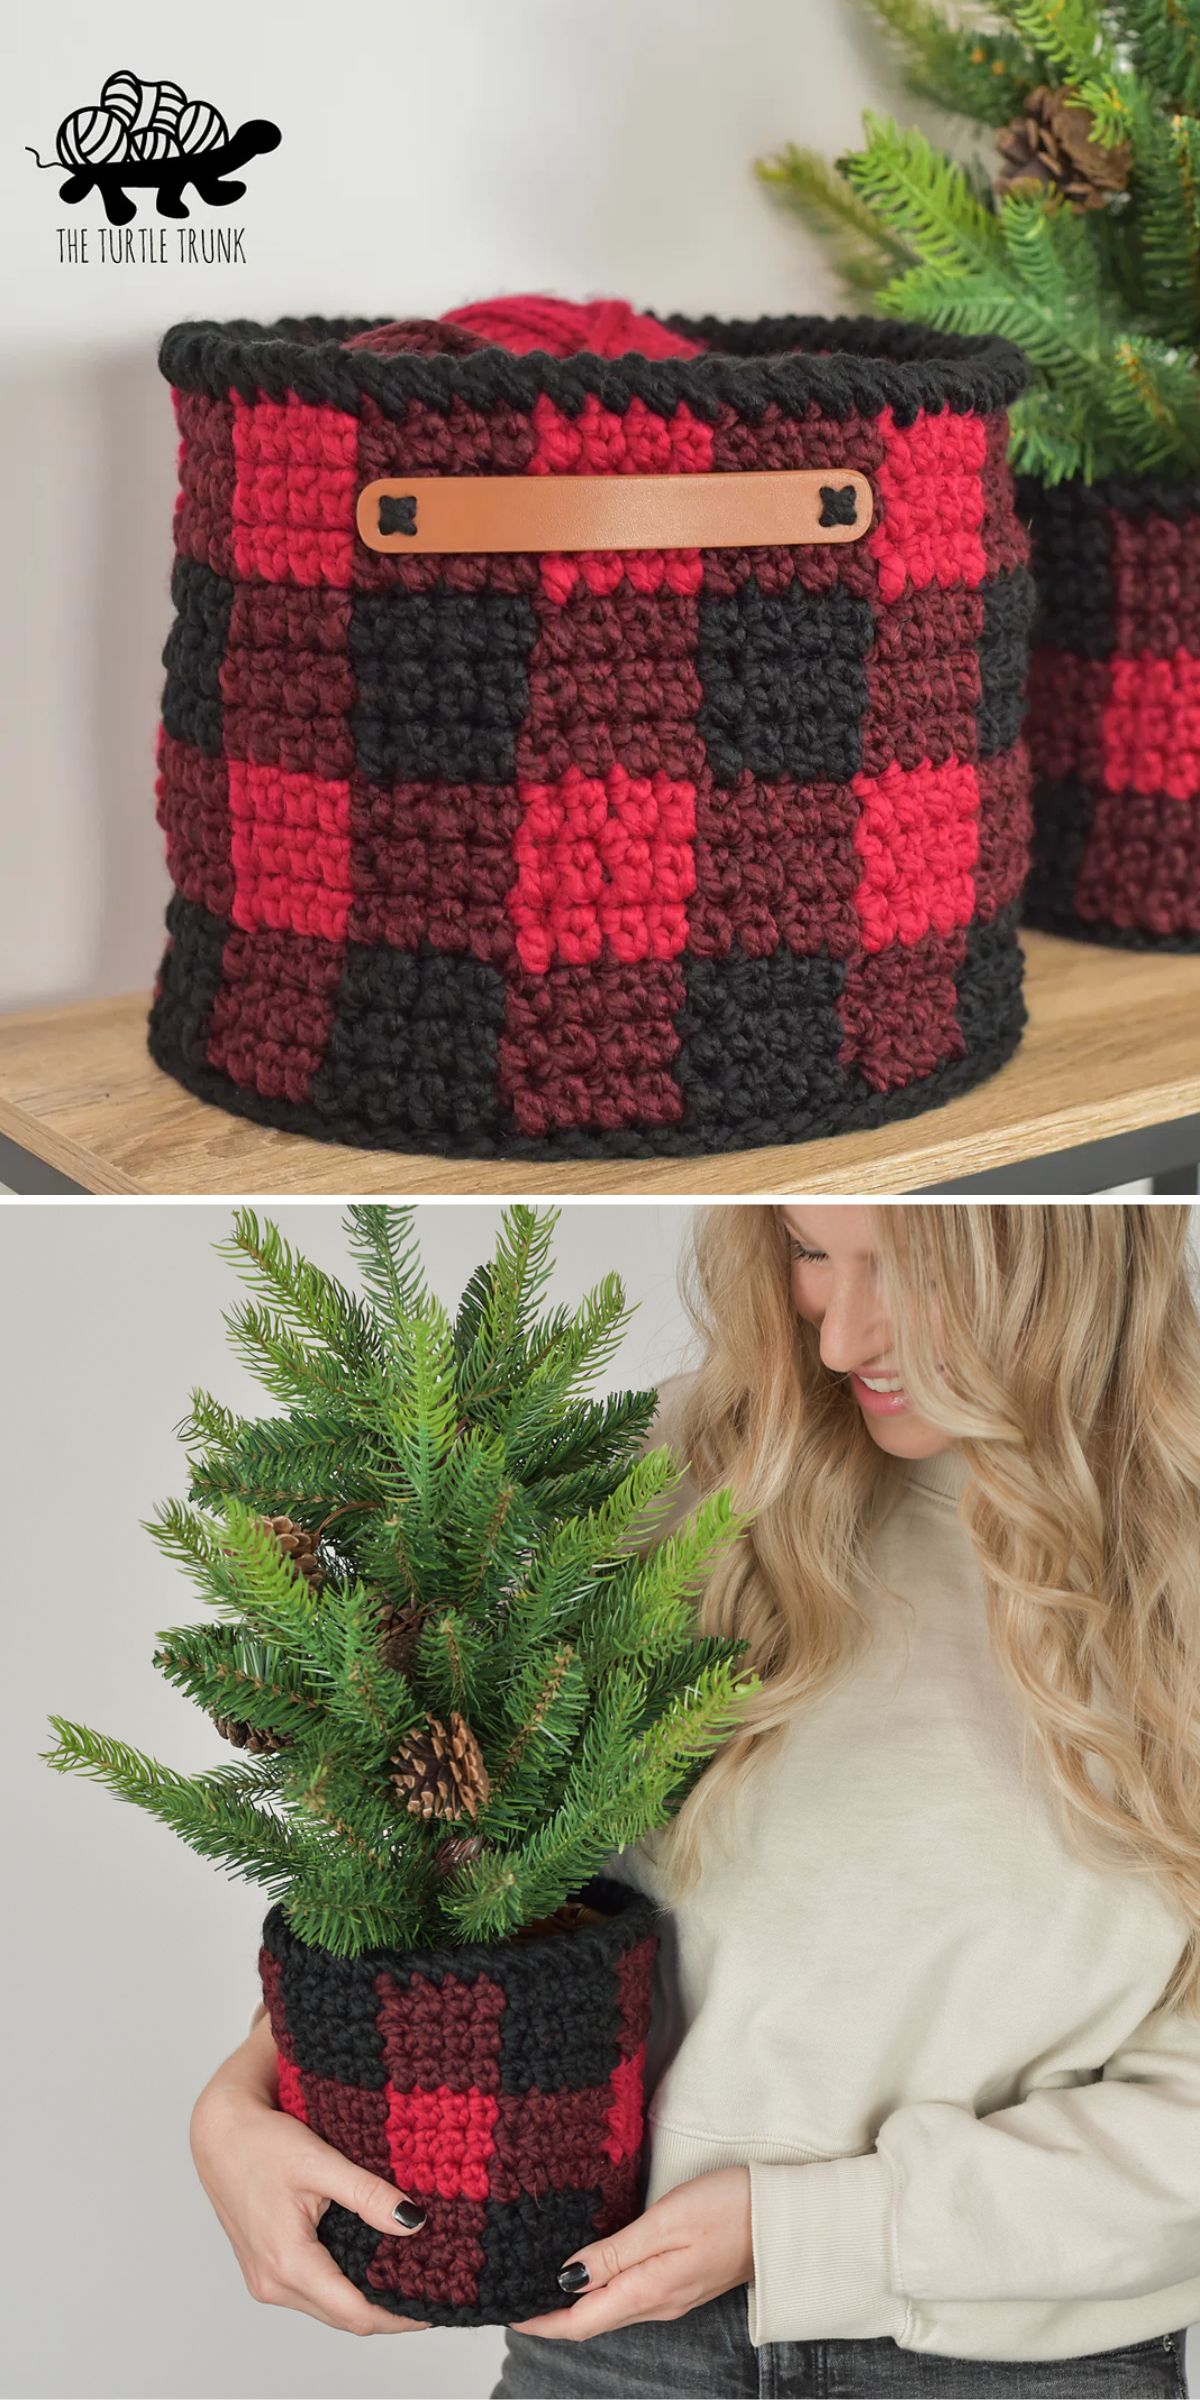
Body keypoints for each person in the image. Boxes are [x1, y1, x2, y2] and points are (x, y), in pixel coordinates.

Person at [190, 1203, 1199, 2400]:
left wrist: (803, 2229)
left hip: (1017, 2359)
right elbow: (480, 1878)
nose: (839, 1337)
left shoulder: (1169, 1568)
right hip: (612, 2348)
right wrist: (249, 2095)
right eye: (811, 1253)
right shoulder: (679, 1477)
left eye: (913, 1270)